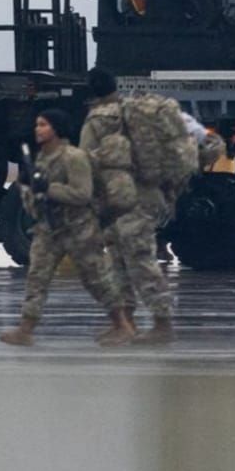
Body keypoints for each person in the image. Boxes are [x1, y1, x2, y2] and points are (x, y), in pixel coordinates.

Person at [0, 108, 134, 347]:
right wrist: (29, 189)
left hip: (79, 228)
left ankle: (122, 325)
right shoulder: (42, 158)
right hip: (50, 228)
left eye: (43, 125)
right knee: (37, 277)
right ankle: (26, 329)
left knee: (96, 279)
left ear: (56, 129)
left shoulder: (74, 157)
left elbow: (82, 194)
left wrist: (47, 188)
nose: (37, 129)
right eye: (37, 124)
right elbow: (36, 195)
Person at [80, 68, 175, 344]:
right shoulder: (137, 113)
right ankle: (126, 324)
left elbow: (87, 163)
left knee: (136, 261)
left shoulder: (97, 120)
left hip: (120, 199)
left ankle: (161, 323)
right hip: (144, 197)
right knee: (122, 261)